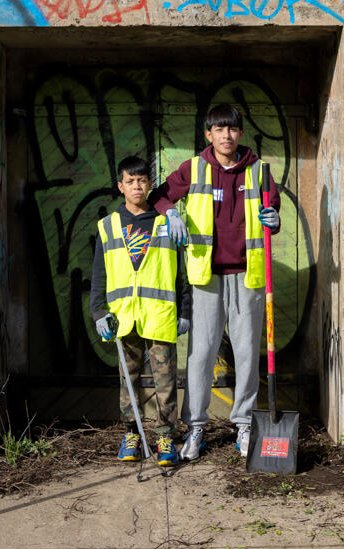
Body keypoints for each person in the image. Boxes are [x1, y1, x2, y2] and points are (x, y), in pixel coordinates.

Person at [149, 104, 281, 461]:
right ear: (208, 134)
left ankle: (244, 425)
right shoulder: (194, 168)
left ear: (240, 133)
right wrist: (171, 212)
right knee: (201, 355)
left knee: (247, 355)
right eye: (219, 129)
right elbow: (158, 195)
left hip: (248, 275)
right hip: (206, 278)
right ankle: (195, 428)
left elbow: (274, 213)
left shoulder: (259, 170)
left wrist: (274, 218)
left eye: (232, 129)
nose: (226, 135)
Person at [90, 156, 191, 466]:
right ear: (120, 186)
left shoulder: (165, 222)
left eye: (142, 180)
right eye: (130, 181)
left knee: (165, 381)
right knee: (128, 380)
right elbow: (99, 274)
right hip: (123, 317)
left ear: (150, 184)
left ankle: (165, 437)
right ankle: (131, 434)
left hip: (160, 316)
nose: (137, 186)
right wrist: (98, 313)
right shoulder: (108, 226)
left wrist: (185, 311)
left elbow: (180, 274)